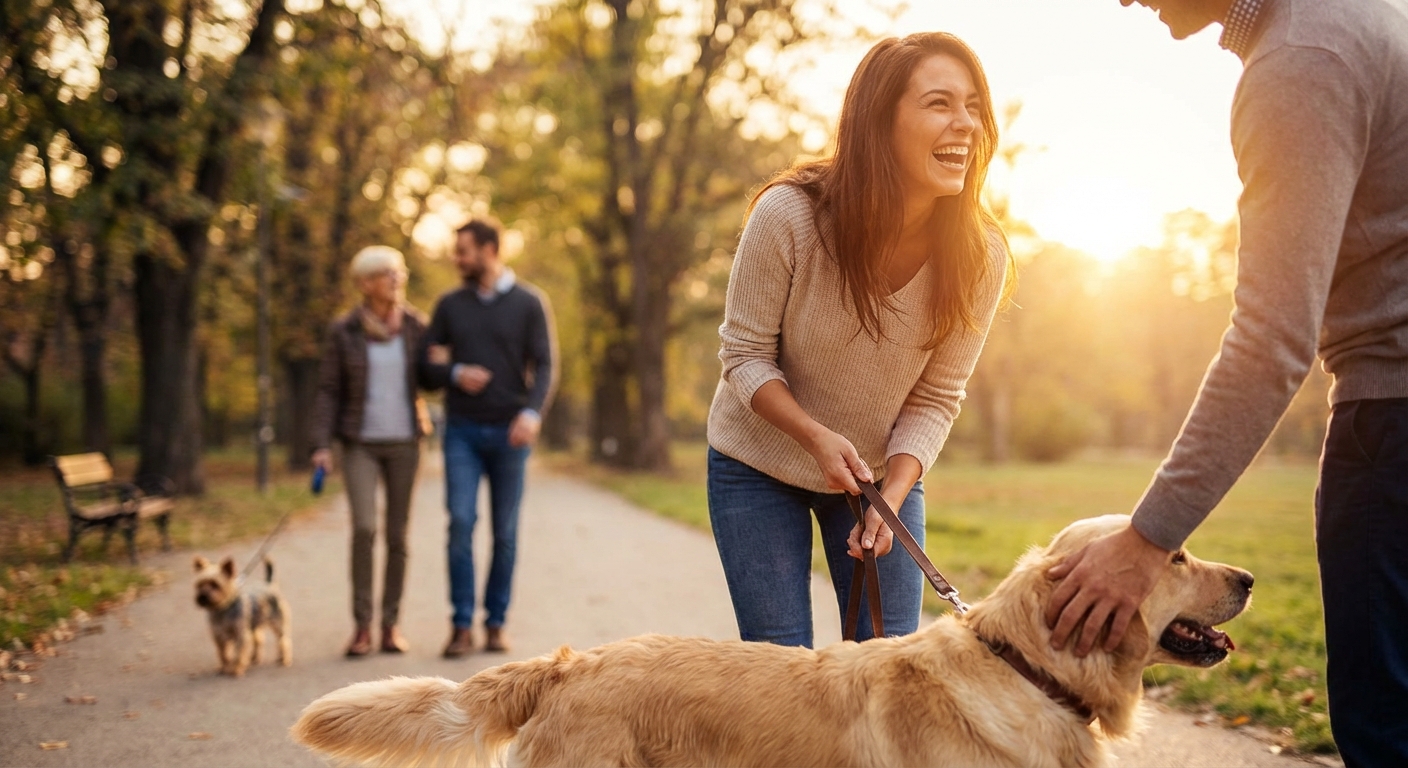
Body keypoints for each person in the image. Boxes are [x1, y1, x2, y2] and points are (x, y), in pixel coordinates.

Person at [1044, 1, 1408, 764]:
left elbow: (1273, 340)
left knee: (1388, 731)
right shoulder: (1360, 16)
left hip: (1393, 419)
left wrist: (1149, 540)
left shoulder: (1302, 59)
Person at [707, 32, 1012, 648]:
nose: (966, 125)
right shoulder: (788, 216)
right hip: (757, 465)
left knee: (888, 672)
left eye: (974, 106)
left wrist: (892, 494)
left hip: (878, 475)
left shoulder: (981, 256)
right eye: (939, 103)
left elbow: (936, 397)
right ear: (881, 120)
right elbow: (744, 357)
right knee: (781, 674)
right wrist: (814, 436)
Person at [420, 219, 556, 658]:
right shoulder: (450, 305)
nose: (457, 259)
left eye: (464, 251)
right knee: (460, 523)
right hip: (461, 430)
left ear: (490, 250)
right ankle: (461, 625)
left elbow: (547, 365)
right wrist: (454, 372)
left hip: (511, 434)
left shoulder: (530, 302)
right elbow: (422, 366)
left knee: (505, 532)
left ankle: (495, 623)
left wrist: (532, 413)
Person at [310, 245, 430, 657]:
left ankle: (390, 626)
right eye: (384, 273)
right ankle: (361, 626)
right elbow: (328, 390)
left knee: (398, 535)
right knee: (364, 529)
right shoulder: (344, 331)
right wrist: (321, 445)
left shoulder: (416, 326)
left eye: (399, 272)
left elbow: (432, 377)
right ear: (364, 283)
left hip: (405, 442)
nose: (395, 279)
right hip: (358, 442)